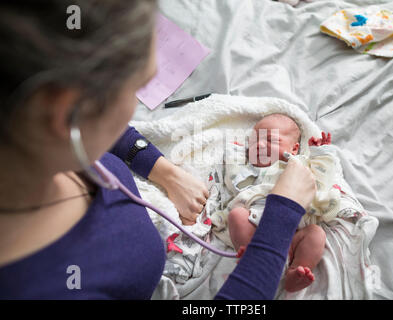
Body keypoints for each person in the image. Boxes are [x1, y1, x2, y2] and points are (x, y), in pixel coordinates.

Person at [0, 0, 316, 299]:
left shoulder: (32, 133)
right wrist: (280, 218)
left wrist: (163, 170)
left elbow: (106, 131)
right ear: (66, 113)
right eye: (137, 86)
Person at [226, 114, 326, 292]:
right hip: (256, 225)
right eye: (255, 141)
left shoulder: (298, 164)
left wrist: (322, 154)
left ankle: (296, 271)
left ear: (294, 149)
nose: (261, 145)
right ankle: (252, 258)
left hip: (294, 230)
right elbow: (233, 184)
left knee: (316, 234)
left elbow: (323, 179)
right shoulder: (249, 170)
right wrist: (234, 152)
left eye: (271, 140)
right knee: (237, 215)